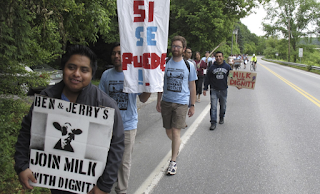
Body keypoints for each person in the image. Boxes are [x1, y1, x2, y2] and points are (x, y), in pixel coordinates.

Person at [14, 45, 125, 194]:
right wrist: (22, 166)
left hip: (92, 187)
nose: (76, 74)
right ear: (63, 69)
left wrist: (104, 185)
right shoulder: (46, 99)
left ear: (92, 74)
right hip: (57, 183)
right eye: (71, 67)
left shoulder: (105, 105)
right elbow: (27, 130)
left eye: (84, 70)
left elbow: (117, 145)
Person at [99, 42, 151, 194]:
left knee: (124, 161)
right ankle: (104, 187)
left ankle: (121, 190)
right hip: (109, 125)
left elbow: (143, 99)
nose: (116, 56)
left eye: (119, 53)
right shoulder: (106, 75)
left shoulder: (133, 75)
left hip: (128, 125)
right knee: (107, 158)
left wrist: (149, 86)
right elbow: (101, 99)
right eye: (114, 53)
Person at [156, 36, 197, 175]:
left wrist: (192, 105)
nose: (175, 49)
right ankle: (176, 145)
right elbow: (160, 84)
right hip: (166, 101)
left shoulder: (189, 65)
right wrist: (158, 100)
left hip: (181, 102)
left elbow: (192, 86)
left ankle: (173, 162)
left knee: (175, 131)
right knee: (168, 131)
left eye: (178, 46)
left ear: (184, 49)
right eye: (173, 46)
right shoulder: (165, 63)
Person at [203, 51, 232, 131]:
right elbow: (207, 78)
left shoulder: (227, 67)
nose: (218, 58)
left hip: (223, 90)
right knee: (213, 107)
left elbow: (233, 77)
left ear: (222, 57)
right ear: (215, 58)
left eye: (220, 56)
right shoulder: (212, 67)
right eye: (217, 56)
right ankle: (213, 122)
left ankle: (222, 116)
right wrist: (205, 88)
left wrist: (238, 85)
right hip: (214, 90)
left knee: (223, 106)